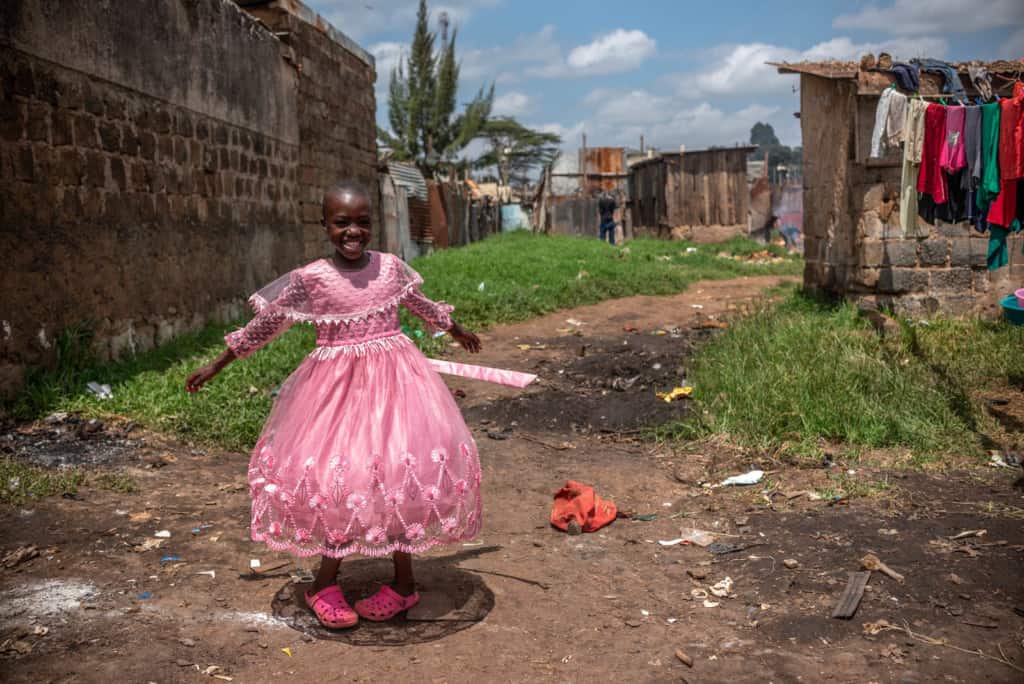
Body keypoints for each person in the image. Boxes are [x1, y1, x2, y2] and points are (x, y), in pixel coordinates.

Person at [185, 181, 483, 629]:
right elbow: (267, 324)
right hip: (336, 399)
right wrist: (218, 364)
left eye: (363, 222)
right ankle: (322, 584)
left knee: (399, 474)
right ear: (324, 225)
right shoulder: (312, 279)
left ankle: (404, 585)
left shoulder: (390, 268)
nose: (353, 231)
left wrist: (455, 329)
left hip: (399, 391)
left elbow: (417, 303)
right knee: (338, 482)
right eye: (342, 222)